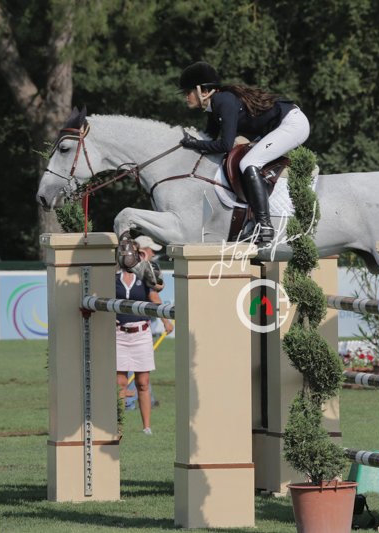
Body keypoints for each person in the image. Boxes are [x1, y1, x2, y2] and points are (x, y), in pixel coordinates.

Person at [178, 61, 311, 244]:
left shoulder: (223, 101)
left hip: (292, 124)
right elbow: (208, 139)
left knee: (248, 162)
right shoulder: (214, 108)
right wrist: (188, 142)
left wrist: (195, 143)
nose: (186, 96)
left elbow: (225, 145)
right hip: (278, 126)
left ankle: (264, 225)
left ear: (204, 90)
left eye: (189, 91)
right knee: (247, 160)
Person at [115, 236, 173, 435]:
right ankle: (118, 425)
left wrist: (165, 320)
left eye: (133, 252)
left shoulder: (144, 275)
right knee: (121, 383)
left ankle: (146, 427)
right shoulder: (112, 277)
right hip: (119, 334)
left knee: (143, 382)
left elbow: (156, 292)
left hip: (141, 333)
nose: (129, 256)